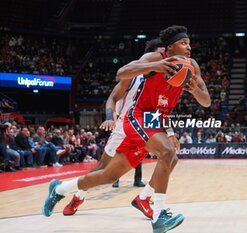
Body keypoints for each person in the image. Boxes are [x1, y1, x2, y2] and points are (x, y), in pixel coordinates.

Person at [42, 25, 210, 233]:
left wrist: (194, 91)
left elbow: (206, 101)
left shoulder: (191, 66)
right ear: (170, 47)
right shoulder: (151, 61)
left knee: (110, 175)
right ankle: (158, 216)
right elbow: (120, 73)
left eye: (189, 43)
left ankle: (59, 188)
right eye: (184, 43)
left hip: (154, 118)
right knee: (166, 152)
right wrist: (157, 65)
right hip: (135, 115)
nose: (189, 47)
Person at [62, 38, 166, 216]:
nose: (163, 58)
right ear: (149, 56)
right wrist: (110, 117)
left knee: (168, 157)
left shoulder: (164, 79)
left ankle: (145, 198)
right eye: (160, 55)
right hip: (126, 123)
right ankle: (78, 196)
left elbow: (162, 108)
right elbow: (112, 98)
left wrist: (168, 132)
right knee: (103, 167)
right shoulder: (134, 76)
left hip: (148, 123)